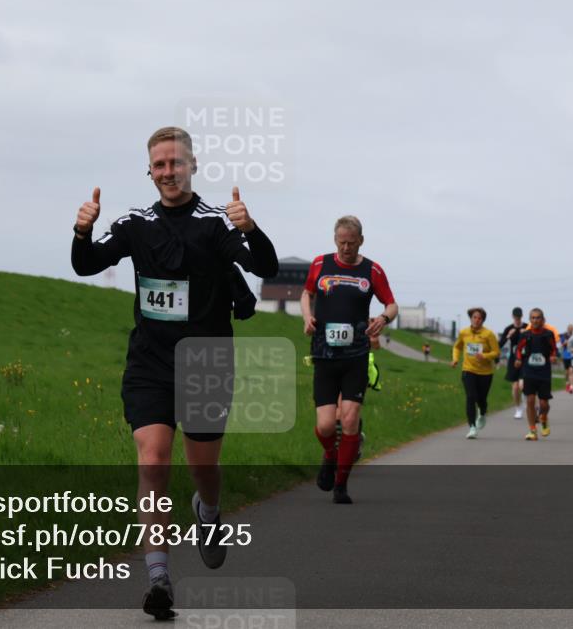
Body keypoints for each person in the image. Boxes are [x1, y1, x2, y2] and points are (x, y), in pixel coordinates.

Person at [71, 126, 279, 619]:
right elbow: (85, 265)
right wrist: (81, 230)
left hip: (206, 360)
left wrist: (249, 227)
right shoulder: (135, 223)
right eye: (159, 165)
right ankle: (159, 577)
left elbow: (265, 267)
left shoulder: (214, 222)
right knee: (154, 459)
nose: (168, 172)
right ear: (150, 170)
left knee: (203, 468)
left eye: (176, 163)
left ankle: (208, 513)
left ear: (192, 165)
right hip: (150, 361)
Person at [301, 215, 397, 504]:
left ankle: (341, 485)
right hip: (325, 354)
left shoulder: (372, 270)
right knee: (327, 425)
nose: (346, 248)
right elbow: (307, 293)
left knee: (351, 418)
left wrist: (383, 318)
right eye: (341, 243)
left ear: (361, 242)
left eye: (351, 243)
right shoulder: (320, 264)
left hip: (356, 353)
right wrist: (307, 316)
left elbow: (391, 304)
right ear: (335, 240)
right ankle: (330, 455)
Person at [451, 307, 501, 439]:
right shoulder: (464, 333)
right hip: (468, 369)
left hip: (485, 372)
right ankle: (472, 427)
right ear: (471, 318)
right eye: (474, 317)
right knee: (470, 397)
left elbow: (496, 352)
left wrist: (485, 356)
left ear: (483, 320)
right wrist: (455, 359)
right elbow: (457, 347)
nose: (477, 320)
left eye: (479, 318)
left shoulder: (488, 334)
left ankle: (483, 413)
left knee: (481, 399)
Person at [515, 308, 557, 440]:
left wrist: (553, 357)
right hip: (529, 371)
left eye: (538, 317)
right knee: (530, 400)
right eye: (532, 318)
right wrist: (518, 359)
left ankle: (543, 417)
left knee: (544, 404)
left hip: (544, 372)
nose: (535, 320)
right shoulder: (525, 335)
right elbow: (519, 349)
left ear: (542, 319)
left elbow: (554, 349)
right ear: (530, 320)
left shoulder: (548, 334)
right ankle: (532, 431)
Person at [499, 306, 528, 419]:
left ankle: (526, 400)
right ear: (512, 317)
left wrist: (527, 334)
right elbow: (500, 345)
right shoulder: (509, 328)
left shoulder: (527, 327)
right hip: (513, 360)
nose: (517, 319)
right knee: (515, 387)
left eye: (519, 317)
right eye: (516, 317)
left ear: (522, 316)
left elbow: (534, 340)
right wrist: (508, 336)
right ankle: (518, 408)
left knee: (523, 385)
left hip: (525, 359)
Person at [559, 324, 573, 393]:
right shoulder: (564, 335)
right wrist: (566, 342)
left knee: (571, 371)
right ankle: (567, 384)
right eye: (570, 328)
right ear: (568, 329)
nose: (571, 329)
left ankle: (571, 386)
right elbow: (562, 344)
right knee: (567, 372)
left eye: (572, 328)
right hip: (565, 355)